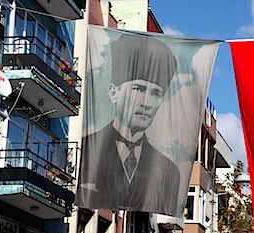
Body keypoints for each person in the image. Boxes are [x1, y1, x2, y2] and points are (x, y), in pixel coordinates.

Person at [76, 34, 180, 216]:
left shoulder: (168, 170)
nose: (146, 102)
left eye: (156, 93)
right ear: (114, 92)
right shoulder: (85, 150)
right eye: (138, 89)